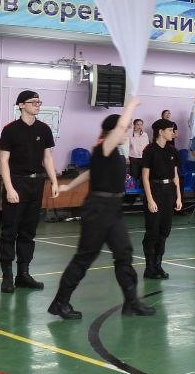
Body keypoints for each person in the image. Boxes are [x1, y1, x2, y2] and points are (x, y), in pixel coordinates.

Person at [47, 99, 155, 320]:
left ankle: (131, 302)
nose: (125, 132)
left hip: (113, 209)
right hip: (97, 210)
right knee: (84, 258)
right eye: (123, 129)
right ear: (113, 131)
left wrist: (69, 185)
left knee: (124, 254)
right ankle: (60, 303)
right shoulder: (103, 146)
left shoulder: (112, 152)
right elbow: (119, 129)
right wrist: (131, 105)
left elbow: (90, 173)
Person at [0, 90, 60, 294]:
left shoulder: (44, 129)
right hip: (16, 182)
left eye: (39, 102)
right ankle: (7, 277)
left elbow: (48, 158)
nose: (37, 105)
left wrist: (55, 181)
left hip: (36, 184)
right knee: (9, 232)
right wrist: (9, 188)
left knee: (28, 232)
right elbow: (3, 160)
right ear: (21, 105)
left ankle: (23, 274)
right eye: (33, 102)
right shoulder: (10, 130)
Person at [142, 119, 182, 278]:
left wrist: (178, 197)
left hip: (169, 192)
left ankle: (158, 265)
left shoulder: (173, 151)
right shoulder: (149, 150)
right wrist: (150, 199)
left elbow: (176, 176)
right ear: (160, 131)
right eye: (170, 130)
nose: (173, 133)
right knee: (153, 230)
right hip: (155, 190)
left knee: (164, 230)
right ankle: (149, 267)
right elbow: (145, 177)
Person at [127, 118, 148, 188]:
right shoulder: (129, 135)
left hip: (143, 158)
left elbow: (147, 146)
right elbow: (127, 147)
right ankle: (134, 193)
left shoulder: (145, 135)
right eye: (137, 124)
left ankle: (142, 193)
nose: (139, 126)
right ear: (134, 125)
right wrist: (127, 157)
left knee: (143, 176)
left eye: (141, 125)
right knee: (134, 176)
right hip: (133, 158)